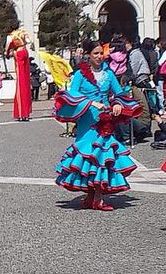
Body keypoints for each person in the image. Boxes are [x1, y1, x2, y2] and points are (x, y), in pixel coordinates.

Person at [53, 40, 141, 211]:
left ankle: (98, 197)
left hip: (104, 120)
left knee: (103, 155)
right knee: (88, 155)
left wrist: (117, 103)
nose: (100, 56)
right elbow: (72, 94)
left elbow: (119, 93)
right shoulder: (80, 74)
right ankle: (91, 195)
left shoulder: (109, 74)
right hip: (87, 120)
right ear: (88, 55)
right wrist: (91, 102)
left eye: (101, 53)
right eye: (96, 53)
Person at [6, 30, 32, 122]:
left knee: (20, 83)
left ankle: (21, 113)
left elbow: (8, 44)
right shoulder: (23, 32)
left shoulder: (11, 36)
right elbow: (29, 41)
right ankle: (27, 112)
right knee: (26, 81)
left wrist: (7, 52)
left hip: (18, 53)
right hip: (24, 51)